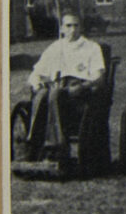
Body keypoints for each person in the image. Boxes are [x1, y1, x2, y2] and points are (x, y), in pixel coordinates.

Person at [22, 12, 105, 161]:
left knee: (55, 93)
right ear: (62, 29)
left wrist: (85, 85)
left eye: (76, 25)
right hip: (57, 86)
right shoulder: (55, 48)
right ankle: (33, 146)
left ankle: (56, 148)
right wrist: (37, 83)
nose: (72, 29)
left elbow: (99, 76)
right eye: (68, 26)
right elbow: (36, 73)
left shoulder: (92, 47)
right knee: (42, 95)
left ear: (81, 28)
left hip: (79, 92)